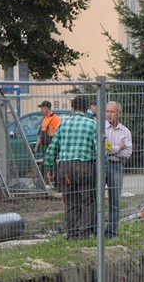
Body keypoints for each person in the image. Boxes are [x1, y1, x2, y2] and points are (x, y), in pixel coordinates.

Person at [44, 95, 99, 240]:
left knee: (70, 201)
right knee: (88, 201)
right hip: (84, 166)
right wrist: (103, 168)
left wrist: (50, 168)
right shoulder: (92, 124)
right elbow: (99, 150)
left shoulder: (63, 123)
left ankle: (72, 234)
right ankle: (84, 234)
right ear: (87, 108)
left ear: (73, 108)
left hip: (65, 167)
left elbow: (52, 148)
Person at [104, 101, 132, 238]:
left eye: (112, 112)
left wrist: (111, 150)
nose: (109, 115)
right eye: (107, 111)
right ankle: (96, 231)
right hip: (102, 165)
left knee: (114, 202)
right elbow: (102, 149)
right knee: (96, 199)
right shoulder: (101, 128)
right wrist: (118, 148)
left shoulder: (125, 131)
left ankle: (112, 232)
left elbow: (128, 152)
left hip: (116, 166)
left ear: (118, 113)